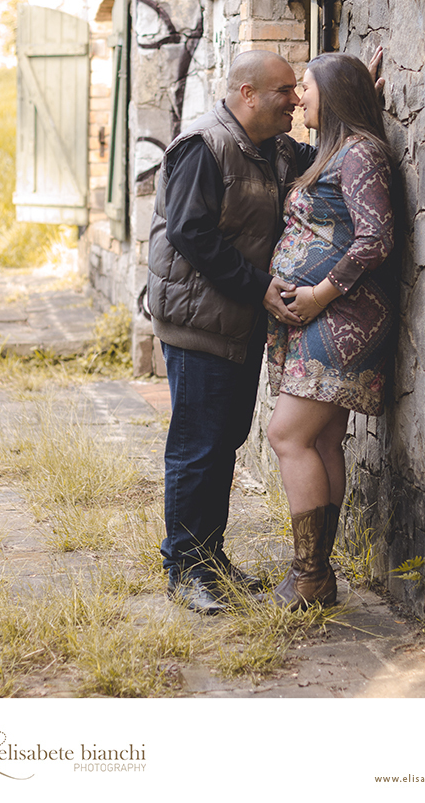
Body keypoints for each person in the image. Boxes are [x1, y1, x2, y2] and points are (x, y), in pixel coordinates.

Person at [147, 50, 316, 614]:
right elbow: (192, 234)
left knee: (223, 443)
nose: (294, 101)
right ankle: (185, 570)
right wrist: (259, 287)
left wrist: (346, 100)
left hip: (237, 320)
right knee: (198, 447)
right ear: (247, 93)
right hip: (199, 321)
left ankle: (208, 556)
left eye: (299, 91)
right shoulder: (203, 145)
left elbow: (333, 163)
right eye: (283, 91)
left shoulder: (276, 149)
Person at [261, 51, 396, 610]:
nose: (298, 98)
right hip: (321, 319)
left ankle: (310, 574)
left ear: (332, 96)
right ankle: (318, 576)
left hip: (342, 317)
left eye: (307, 88)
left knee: (286, 435)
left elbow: (376, 239)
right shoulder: (336, 151)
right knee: (320, 439)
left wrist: (317, 293)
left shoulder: (361, 153)